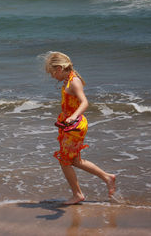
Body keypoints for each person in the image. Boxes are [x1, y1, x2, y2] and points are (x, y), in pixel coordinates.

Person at [44, 51, 116, 205]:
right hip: (69, 125)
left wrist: (73, 116)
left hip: (75, 126)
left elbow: (84, 102)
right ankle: (107, 177)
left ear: (59, 69)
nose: (52, 76)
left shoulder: (74, 81)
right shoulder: (67, 80)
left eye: (52, 73)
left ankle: (77, 194)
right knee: (75, 160)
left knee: (64, 160)